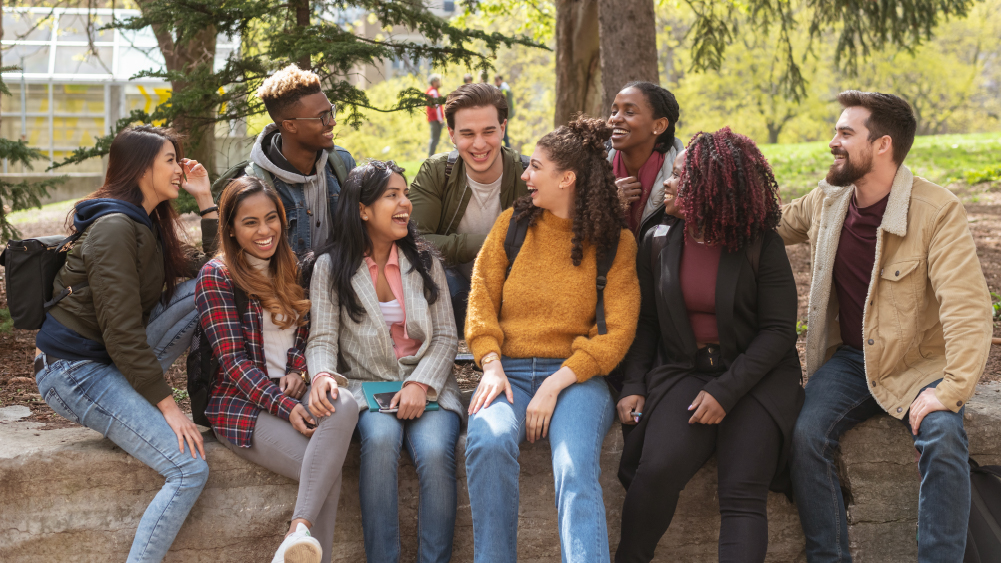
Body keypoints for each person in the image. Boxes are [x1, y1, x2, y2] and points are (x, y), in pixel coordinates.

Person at [779, 91, 993, 562]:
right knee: (805, 436)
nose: (832, 142)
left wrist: (950, 390)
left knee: (942, 435)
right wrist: (696, 200)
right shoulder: (827, 201)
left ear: (882, 145)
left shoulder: (937, 210)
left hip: (922, 363)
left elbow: (969, 309)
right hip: (852, 361)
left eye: (845, 133)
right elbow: (768, 223)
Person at [615, 128, 804, 563]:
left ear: (709, 188)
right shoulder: (659, 238)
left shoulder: (761, 244)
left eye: (679, 175)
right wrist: (633, 383)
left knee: (741, 490)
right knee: (656, 470)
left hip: (756, 377)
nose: (667, 181)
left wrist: (725, 391)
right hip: (686, 370)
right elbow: (648, 322)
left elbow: (778, 331)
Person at [33, 125, 217, 563]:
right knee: (189, 468)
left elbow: (216, 273)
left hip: (107, 360)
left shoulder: (144, 222)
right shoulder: (115, 227)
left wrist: (206, 201)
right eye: (169, 160)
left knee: (203, 289)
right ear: (140, 169)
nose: (179, 169)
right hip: (74, 372)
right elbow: (120, 332)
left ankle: (143, 415)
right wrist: (168, 409)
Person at [463, 116, 641, 563]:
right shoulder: (513, 226)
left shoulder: (616, 243)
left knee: (574, 465)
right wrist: (490, 363)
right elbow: (480, 297)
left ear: (567, 178)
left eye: (535, 167)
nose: (524, 175)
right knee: (487, 440)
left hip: (576, 380)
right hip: (508, 373)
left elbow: (616, 333)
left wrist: (556, 383)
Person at [306, 161, 464, 563]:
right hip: (366, 387)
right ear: (363, 209)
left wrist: (421, 383)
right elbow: (322, 337)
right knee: (378, 442)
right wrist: (322, 374)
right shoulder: (331, 266)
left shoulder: (426, 261)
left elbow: (446, 335)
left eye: (405, 194)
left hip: (428, 385)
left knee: (433, 452)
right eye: (391, 196)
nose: (404, 204)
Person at [197, 176, 357, 563]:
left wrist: (300, 371)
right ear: (231, 229)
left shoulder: (293, 266)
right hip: (240, 404)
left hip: (291, 388)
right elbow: (233, 362)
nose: (264, 230)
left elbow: (306, 333)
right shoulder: (216, 276)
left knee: (345, 402)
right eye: (250, 222)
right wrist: (286, 407)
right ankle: (300, 539)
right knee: (322, 471)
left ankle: (296, 535)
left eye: (271, 218)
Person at [410, 82, 528, 335]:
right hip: (455, 288)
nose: (479, 144)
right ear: (452, 135)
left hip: (519, 288)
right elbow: (415, 242)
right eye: (467, 134)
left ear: (503, 128)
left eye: (488, 132)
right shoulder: (438, 171)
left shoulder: (529, 175)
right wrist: (486, 243)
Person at [212, 63, 356, 256]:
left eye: (331, 112)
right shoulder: (252, 182)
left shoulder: (341, 163)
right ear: (289, 126)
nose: (332, 122)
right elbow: (231, 256)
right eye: (322, 117)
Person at [606, 81, 682, 237]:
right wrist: (607, 199)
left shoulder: (684, 175)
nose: (615, 119)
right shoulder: (590, 163)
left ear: (659, 125)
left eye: (629, 112)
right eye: (614, 112)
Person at [426, 74, 446, 157]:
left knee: (435, 138)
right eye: (437, 81)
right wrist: (440, 119)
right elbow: (436, 107)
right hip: (435, 119)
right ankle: (430, 156)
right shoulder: (433, 93)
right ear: (433, 82)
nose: (439, 82)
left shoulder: (434, 92)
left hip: (435, 119)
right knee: (434, 138)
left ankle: (431, 155)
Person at [494, 74, 513, 148]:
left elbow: (509, 104)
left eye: (498, 80)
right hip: (498, 115)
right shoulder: (496, 89)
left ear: (501, 80)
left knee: (504, 133)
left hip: (504, 115)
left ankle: (507, 149)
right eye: (495, 80)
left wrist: (507, 115)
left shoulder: (505, 90)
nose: (496, 82)